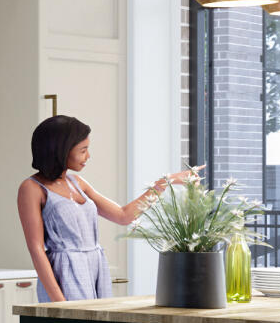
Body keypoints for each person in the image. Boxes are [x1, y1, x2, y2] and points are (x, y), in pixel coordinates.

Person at [15, 116, 193, 302]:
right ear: (62, 150)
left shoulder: (77, 183)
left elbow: (123, 216)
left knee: (101, 320)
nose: (88, 156)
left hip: (96, 267)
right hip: (64, 272)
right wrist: (59, 301)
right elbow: (36, 249)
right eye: (83, 150)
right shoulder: (32, 188)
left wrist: (164, 183)